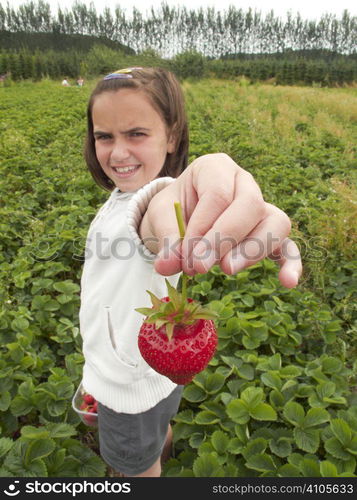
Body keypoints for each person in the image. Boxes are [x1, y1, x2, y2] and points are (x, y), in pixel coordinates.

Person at [80, 67, 302, 478]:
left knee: (135, 468)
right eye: (104, 136)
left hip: (126, 390)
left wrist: (197, 179)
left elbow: (155, 213)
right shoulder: (119, 196)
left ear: (173, 137)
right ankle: (160, 448)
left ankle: (144, 469)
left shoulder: (152, 206)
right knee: (158, 426)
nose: (117, 152)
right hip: (160, 372)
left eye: (137, 134)